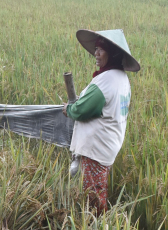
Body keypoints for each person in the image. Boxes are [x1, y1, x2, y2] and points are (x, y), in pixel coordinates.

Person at [62, 29, 140, 213]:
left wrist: (69, 109)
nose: (96, 54)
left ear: (112, 53)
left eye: (101, 49)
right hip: (108, 147)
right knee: (97, 191)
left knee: (92, 201)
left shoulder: (106, 81)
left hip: (96, 150)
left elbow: (81, 109)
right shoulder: (122, 79)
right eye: (95, 49)